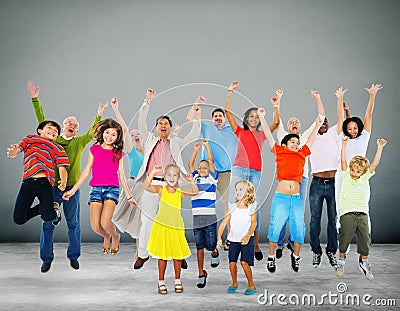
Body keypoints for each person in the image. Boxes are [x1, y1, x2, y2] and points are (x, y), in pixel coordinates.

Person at [27, 80, 105, 272]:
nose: (72, 125)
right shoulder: (51, 140)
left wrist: (99, 115)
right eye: (69, 123)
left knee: (74, 223)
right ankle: (46, 258)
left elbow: (92, 132)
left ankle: (74, 256)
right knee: (47, 223)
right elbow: (42, 120)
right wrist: (35, 99)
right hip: (52, 187)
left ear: (77, 130)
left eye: (75, 125)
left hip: (72, 189)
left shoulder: (79, 142)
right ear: (62, 127)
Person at [133, 89, 201, 269]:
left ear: (170, 128)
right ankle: (142, 254)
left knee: (174, 220)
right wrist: (147, 101)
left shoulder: (175, 142)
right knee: (147, 220)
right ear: (156, 128)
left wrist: (197, 119)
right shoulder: (150, 140)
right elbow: (141, 121)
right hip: (152, 185)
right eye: (160, 123)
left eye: (166, 124)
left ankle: (178, 253)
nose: (163, 125)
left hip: (171, 186)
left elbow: (193, 136)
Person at [258, 106, 322, 273]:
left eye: (297, 142)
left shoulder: (302, 154)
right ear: (285, 143)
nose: (296, 144)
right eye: (293, 142)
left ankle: (296, 256)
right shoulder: (279, 151)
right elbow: (267, 133)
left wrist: (317, 124)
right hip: (281, 197)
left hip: (295, 199)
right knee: (275, 226)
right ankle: (271, 257)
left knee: (299, 228)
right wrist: (262, 117)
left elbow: (312, 138)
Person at [63, 118, 137, 256]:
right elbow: (86, 172)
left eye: (113, 135)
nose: (109, 137)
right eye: (107, 133)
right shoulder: (94, 149)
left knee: (105, 221)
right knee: (96, 226)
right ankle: (106, 236)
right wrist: (72, 191)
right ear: (102, 133)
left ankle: (115, 236)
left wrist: (129, 196)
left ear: (117, 137)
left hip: (112, 189)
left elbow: (122, 175)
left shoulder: (118, 153)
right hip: (96, 189)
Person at [225, 81, 279, 261]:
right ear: (247, 118)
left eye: (257, 116)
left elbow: (277, 122)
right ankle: (231, 237)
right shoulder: (239, 131)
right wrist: (230, 91)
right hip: (239, 169)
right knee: (235, 202)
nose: (254, 119)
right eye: (251, 116)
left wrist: (276, 105)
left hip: (255, 171)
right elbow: (227, 113)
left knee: (252, 205)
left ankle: (254, 243)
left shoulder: (263, 134)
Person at [7, 120, 69, 267]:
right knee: (19, 219)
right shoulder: (30, 139)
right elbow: (19, 148)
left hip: (45, 183)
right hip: (28, 183)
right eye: (50, 128)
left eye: (56, 131)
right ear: (40, 130)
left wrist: (63, 180)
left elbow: (62, 167)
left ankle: (52, 211)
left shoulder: (57, 147)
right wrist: (14, 151)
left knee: (48, 217)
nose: (53, 131)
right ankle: (48, 207)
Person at [274, 89, 319, 258]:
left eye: (297, 122)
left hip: (302, 178)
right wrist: (278, 100)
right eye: (291, 122)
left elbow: (317, 124)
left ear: (300, 128)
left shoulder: (303, 138)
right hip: (285, 180)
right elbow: (277, 122)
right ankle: (279, 243)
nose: (294, 123)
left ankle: (292, 243)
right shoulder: (283, 137)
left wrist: (317, 101)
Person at [335, 137, 387, 280]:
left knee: (365, 239)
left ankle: (363, 262)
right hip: (347, 213)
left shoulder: (364, 177)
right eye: (353, 170)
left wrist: (380, 148)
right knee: (344, 237)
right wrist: (344, 145)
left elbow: (375, 163)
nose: (354, 173)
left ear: (363, 172)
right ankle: (341, 262)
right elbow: (343, 161)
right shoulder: (346, 175)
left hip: (362, 213)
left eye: (357, 171)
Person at [145, 164, 199, 295]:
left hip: (176, 225)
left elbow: (195, 192)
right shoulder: (161, 189)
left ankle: (177, 280)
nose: (172, 177)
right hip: (162, 225)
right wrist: (153, 172)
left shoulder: (180, 192)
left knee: (177, 255)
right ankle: (161, 282)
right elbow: (146, 186)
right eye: (169, 175)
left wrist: (192, 182)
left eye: (175, 175)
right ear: (164, 176)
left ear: (178, 177)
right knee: (162, 255)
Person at [308, 89, 345, 269]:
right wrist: (318, 97)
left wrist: (345, 109)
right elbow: (320, 116)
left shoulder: (333, 133)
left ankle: (331, 250)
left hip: (333, 183)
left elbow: (342, 121)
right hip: (316, 183)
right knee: (315, 220)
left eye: (326, 122)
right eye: (321, 121)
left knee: (333, 219)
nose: (324, 123)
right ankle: (316, 252)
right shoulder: (312, 136)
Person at [196, 105, 238, 251]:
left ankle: (230, 239)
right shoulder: (207, 128)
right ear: (212, 119)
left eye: (220, 116)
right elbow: (191, 118)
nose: (218, 118)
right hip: (207, 173)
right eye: (215, 116)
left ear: (224, 119)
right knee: (205, 205)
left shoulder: (231, 130)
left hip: (226, 173)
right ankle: (208, 241)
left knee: (229, 206)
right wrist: (197, 107)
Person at [110, 97, 145, 261]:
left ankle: (139, 254)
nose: (136, 135)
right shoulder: (131, 151)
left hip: (148, 187)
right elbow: (124, 129)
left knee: (141, 221)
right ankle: (112, 235)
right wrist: (116, 109)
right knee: (116, 214)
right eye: (133, 135)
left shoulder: (150, 152)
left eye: (138, 134)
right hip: (132, 184)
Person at [217, 180, 257, 295]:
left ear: (248, 192)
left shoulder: (252, 206)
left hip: (246, 240)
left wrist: (248, 236)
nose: (237, 191)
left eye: (241, 189)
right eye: (236, 189)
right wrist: (219, 237)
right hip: (233, 239)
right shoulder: (232, 206)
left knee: (244, 263)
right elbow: (224, 222)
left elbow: (254, 224)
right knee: (232, 263)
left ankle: (251, 285)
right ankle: (234, 283)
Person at [188, 140, 219, 288]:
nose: (201, 169)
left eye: (204, 167)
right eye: (200, 168)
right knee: (199, 247)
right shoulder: (195, 178)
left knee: (211, 244)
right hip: (197, 219)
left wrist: (206, 147)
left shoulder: (213, 179)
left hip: (210, 218)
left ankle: (214, 251)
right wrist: (195, 150)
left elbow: (211, 161)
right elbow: (190, 165)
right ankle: (201, 273)